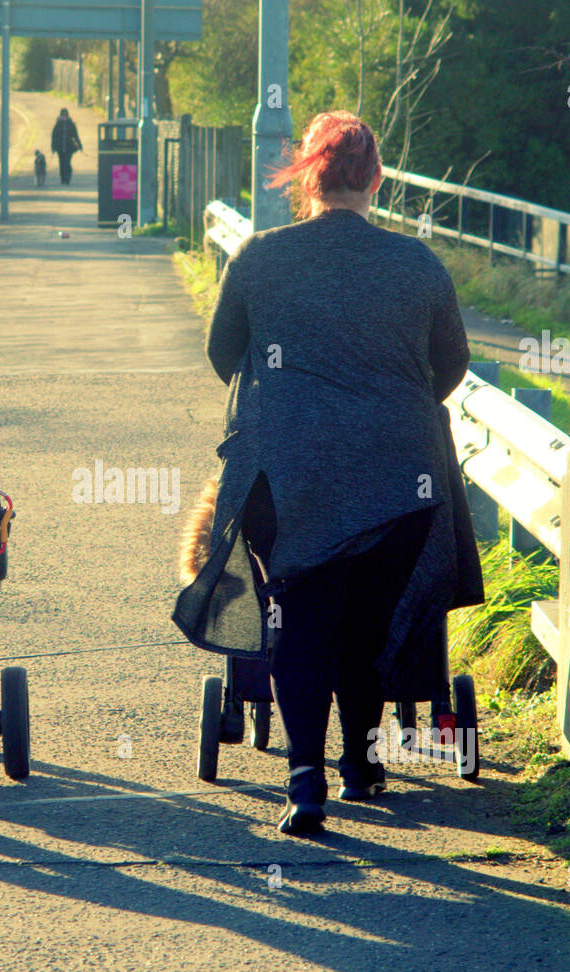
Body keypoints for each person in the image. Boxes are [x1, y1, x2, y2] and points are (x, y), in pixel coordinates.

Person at [172, 110, 483, 836]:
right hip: (398, 477)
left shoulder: (258, 257)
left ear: (306, 178)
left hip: (290, 475)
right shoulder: (419, 266)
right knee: (368, 624)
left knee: (301, 620)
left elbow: (226, 356)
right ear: (376, 179)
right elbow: (453, 367)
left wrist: (290, 406)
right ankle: (361, 763)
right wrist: (390, 408)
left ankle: (304, 781)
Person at [50, 107, 82, 185]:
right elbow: (54, 136)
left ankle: (67, 177)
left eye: (65, 115)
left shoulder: (71, 124)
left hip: (69, 148)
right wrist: (53, 147)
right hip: (60, 148)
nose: (64, 117)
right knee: (61, 163)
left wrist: (79, 145)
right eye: (63, 115)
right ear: (60, 115)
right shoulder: (57, 125)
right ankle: (62, 178)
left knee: (67, 162)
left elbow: (75, 135)